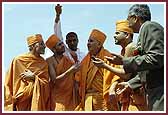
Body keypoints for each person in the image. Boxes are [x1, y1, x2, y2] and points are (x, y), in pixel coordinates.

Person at [105, 4, 164, 111]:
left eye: (128, 20)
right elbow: (147, 69)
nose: (128, 23)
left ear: (135, 18)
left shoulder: (149, 26)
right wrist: (131, 84)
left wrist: (124, 61)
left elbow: (156, 59)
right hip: (152, 92)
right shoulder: (144, 31)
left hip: (160, 90)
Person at [93, 20, 147, 111]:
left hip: (136, 94)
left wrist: (105, 66)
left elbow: (126, 75)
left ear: (127, 35)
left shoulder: (130, 47)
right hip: (130, 94)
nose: (114, 35)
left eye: (117, 33)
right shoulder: (124, 50)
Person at [75, 29, 120, 111]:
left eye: (91, 41)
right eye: (88, 41)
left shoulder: (108, 57)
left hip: (103, 100)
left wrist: (112, 90)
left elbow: (115, 77)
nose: (88, 43)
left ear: (99, 44)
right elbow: (78, 79)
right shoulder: (85, 61)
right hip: (87, 99)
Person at [4, 34, 50, 111]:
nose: (45, 46)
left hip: (36, 100)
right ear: (32, 46)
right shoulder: (18, 60)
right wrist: (10, 102)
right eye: (41, 44)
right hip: (20, 102)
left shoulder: (43, 63)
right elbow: (9, 83)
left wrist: (34, 78)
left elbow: (46, 85)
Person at [45, 34, 80, 111]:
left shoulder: (69, 61)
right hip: (57, 98)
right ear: (54, 49)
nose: (63, 46)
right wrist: (70, 71)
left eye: (62, 43)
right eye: (59, 45)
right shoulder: (50, 61)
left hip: (70, 97)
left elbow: (76, 79)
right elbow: (54, 80)